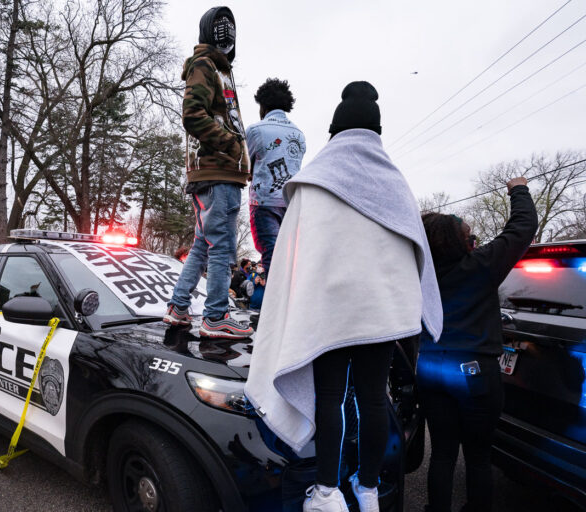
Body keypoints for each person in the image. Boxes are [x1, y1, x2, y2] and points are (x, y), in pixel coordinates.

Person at [244, 81, 442, 512]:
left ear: (334, 130)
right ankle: (368, 489)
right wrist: (420, 305)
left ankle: (328, 491)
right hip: (381, 314)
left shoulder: (314, 182)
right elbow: (418, 251)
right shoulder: (396, 186)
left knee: (328, 398)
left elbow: (291, 254)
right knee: (373, 399)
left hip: (328, 311)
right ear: (377, 129)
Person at [418, 178, 537, 512]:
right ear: (460, 242)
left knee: (442, 453)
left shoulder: (417, 277)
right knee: (478, 456)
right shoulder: (481, 266)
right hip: (472, 374)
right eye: (469, 236)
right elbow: (522, 228)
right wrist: (518, 189)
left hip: (428, 369)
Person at [162, 6, 253, 339]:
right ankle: (215, 317)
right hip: (217, 171)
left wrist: (242, 161)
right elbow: (192, 115)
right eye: (221, 28)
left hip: (221, 172)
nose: (227, 35)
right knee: (219, 245)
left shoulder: (219, 70)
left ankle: (178, 307)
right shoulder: (204, 66)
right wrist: (231, 146)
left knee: (202, 244)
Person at [246, 78, 307, 273]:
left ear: (263, 106)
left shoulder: (256, 130)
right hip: (291, 202)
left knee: (271, 259)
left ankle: (272, 303)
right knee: (291, 260)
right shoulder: (299, 134)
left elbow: (245, 166)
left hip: (264, 203)